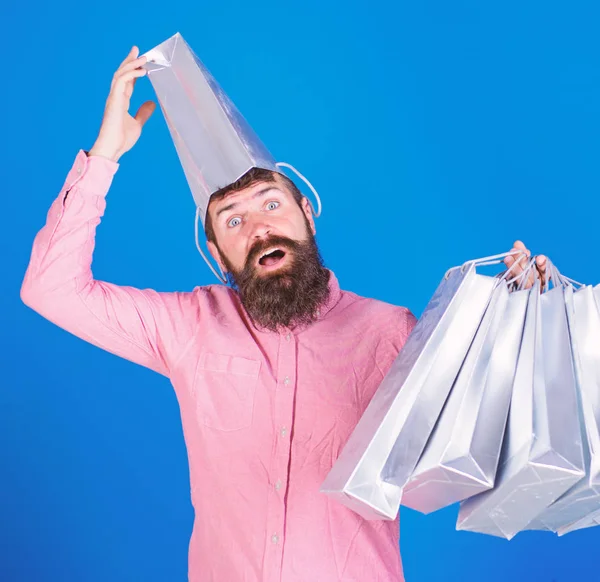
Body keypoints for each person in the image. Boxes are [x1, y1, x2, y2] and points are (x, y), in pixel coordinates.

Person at [20, 46, 546, 582]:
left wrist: (521, 321)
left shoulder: (392, 332)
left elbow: (451, 470)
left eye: (272, 204)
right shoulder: (188, 327)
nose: (258, 229)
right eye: (232, 220)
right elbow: (51, 288)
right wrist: (106, 154)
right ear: (217, 255)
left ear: (307, 216)